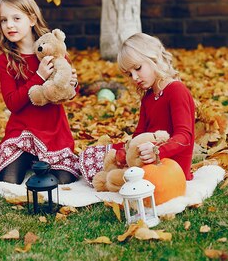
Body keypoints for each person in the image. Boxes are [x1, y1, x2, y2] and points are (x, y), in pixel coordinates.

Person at [0, 0, 80, 184]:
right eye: (4, 20)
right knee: (8, 179)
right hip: (22, 132)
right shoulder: (6, 60)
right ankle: (27, 157)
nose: (9, 25)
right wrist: (39, 77)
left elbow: (68, 94)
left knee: (64, 180)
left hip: (53, 130)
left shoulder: (53, 50)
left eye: (16, 18)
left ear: (31, 19)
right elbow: (12, 103)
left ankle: (42, 158)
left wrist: (72, 83)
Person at [80, 33, 195, 183]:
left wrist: (158, 151)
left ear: (154, 59)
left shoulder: (176, 90)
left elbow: (184, 137)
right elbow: (140, 134)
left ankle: (112, 179)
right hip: (145, 156)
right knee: (93, 154)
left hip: (170, 167)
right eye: (129, 74)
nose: (134, 77)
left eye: (138, 68)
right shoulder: (148, 97)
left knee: (118, 176)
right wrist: (124, 151)